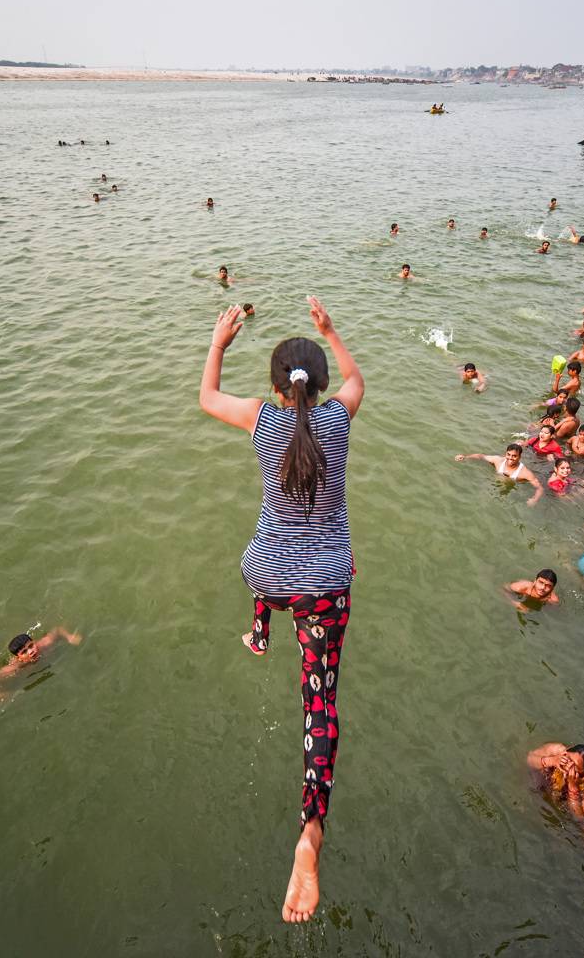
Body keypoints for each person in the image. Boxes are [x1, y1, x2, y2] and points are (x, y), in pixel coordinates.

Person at [197, 295, 364, 923]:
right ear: (317, 387)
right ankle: (309, 834)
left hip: (267, 575)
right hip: (324, 586)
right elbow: (357, 380)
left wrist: (219, 343)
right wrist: (332, 329)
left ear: (276, 387)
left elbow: (207, 398)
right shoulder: (339, 419)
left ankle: (260, 632)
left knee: (268, 570)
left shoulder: (259, 418)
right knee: (320, 705)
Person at [0, 627, 83, 700]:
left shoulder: (43, 644)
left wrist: (69, 636)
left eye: (31, 646)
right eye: (24, 652)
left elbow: (57, 630)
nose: (31, 651)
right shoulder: (16, 666)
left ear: (34, 642)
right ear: (19, 657)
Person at [528, 743, 584, 819]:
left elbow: (580, 819)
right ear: (566, 752)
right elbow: (530, 758)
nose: (567, 765)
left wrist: (573, 788)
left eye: (574, 766)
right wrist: (552, 760)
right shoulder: (558, 751)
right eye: (568, 759)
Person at [455, 445, 544, 505]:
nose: (510, 458)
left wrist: (534, 499)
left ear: (519, 457)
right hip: (494, 483)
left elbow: (539, 488)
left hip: (511, 491)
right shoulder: (498, 460)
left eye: (514, 456)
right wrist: (465, 457)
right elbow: (481, 456)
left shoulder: (525, 473)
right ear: (505, 454)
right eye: (508, 454)